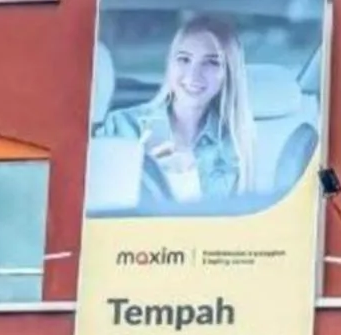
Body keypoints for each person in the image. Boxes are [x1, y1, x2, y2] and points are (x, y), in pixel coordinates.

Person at [96, 12, 255, 207]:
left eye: (212, 62)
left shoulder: (233, 144)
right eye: (184, 59)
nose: (193, 74)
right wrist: (143, 169)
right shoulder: (120, 126)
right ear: (170, 64)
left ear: (228, 73)